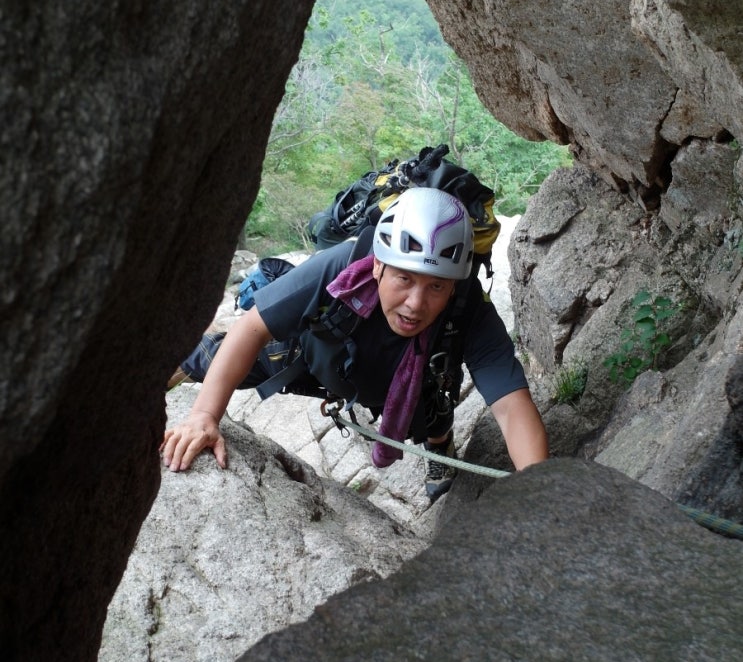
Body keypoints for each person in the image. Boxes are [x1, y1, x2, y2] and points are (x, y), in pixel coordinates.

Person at [161, 189, 548, 497]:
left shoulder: (469, 310)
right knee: (210, 358)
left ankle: (440, 448)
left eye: (436, 286)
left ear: (455, 283)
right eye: (404, 279)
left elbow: (512, 407)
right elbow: (251, 329)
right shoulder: (340, 267)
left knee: (434, 407)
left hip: (409, 383)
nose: (416, 303)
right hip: (320, 360)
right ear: (378, 263)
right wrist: (204, 416)